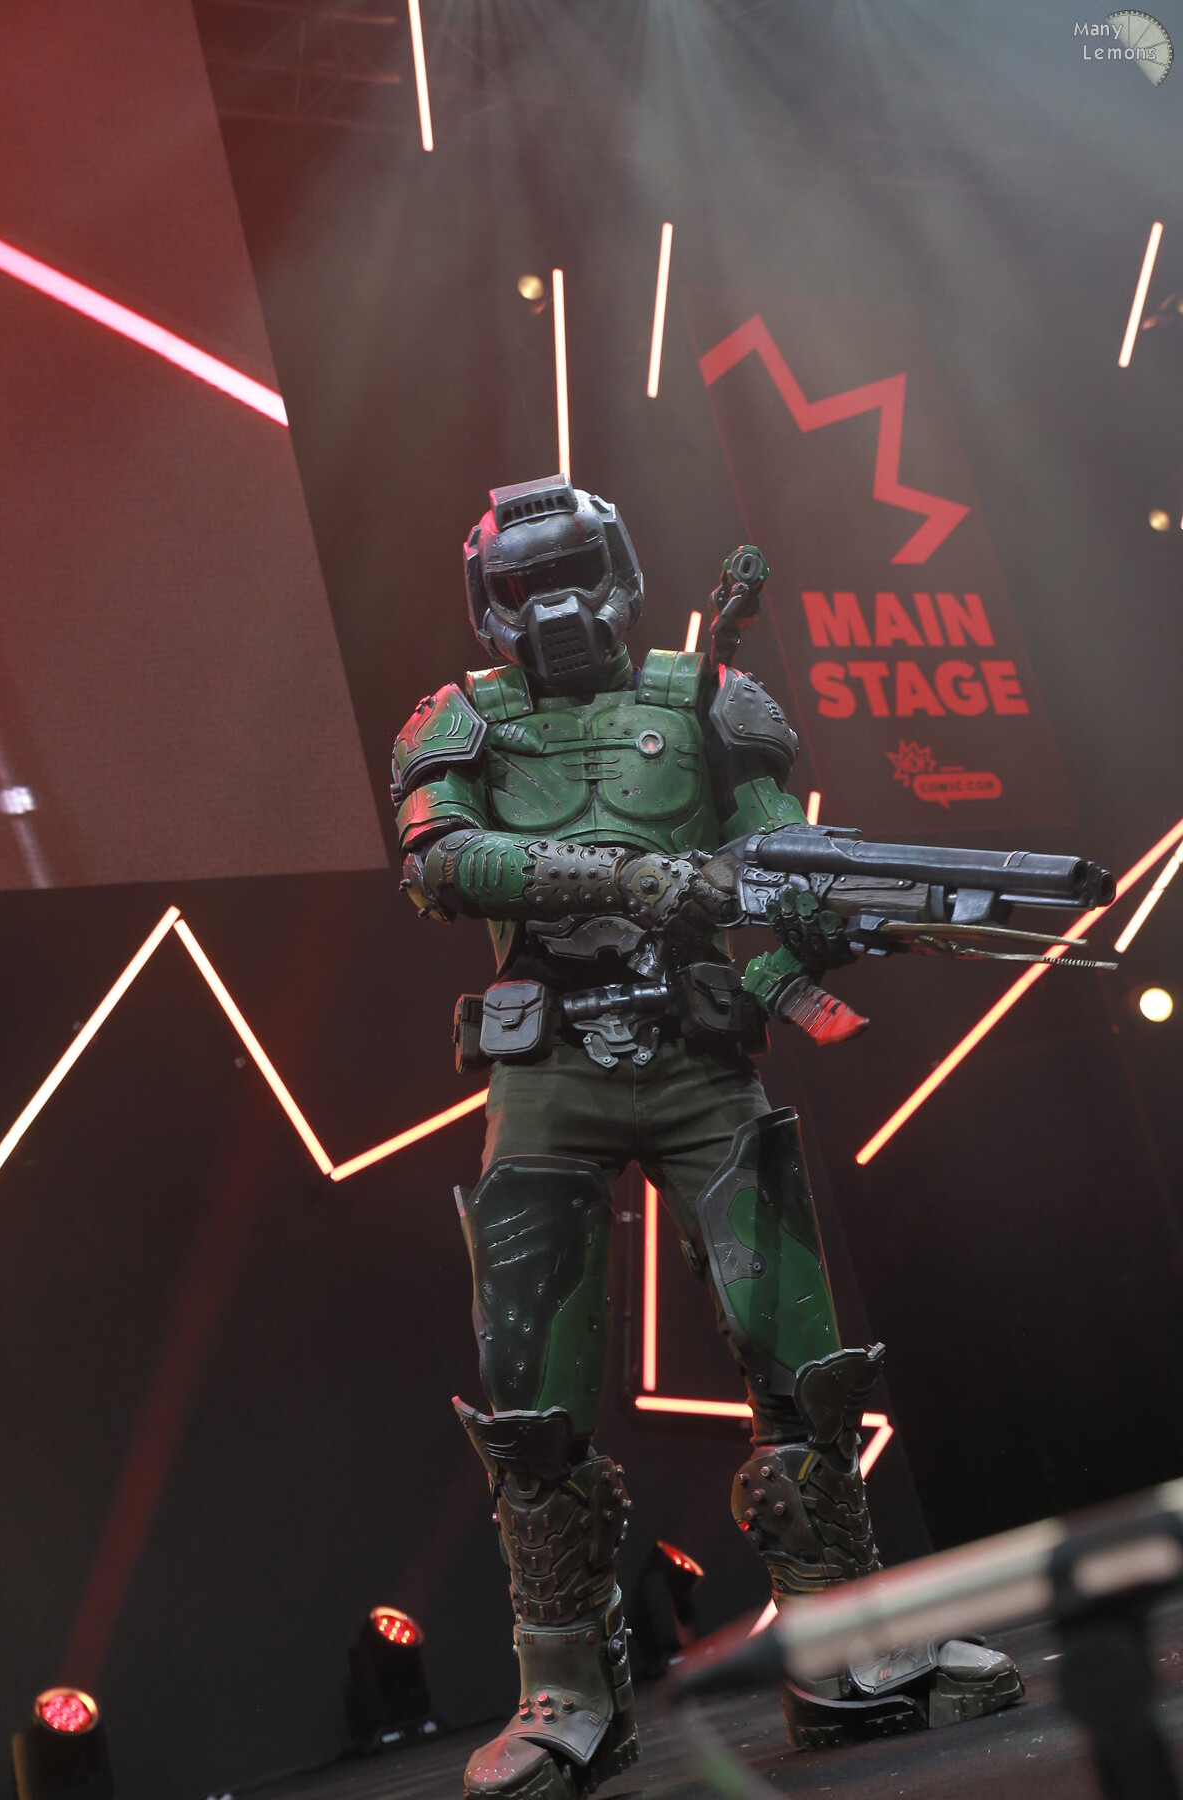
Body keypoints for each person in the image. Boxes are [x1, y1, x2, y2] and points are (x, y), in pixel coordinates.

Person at [392, 475, 1021, 1798]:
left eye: (571, 571)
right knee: (533, 1401)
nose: (554, 605)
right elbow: (438, 862)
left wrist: (817, 916)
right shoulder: (462, 719)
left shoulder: (707, 698)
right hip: (549, 1066)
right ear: (489, 602)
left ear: (617, 568)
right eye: (525, 584)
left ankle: (844, 1655)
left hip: (696, 1055)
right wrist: (621, 875)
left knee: (802, 1357)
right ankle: (568, 1695)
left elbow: (774, 859)